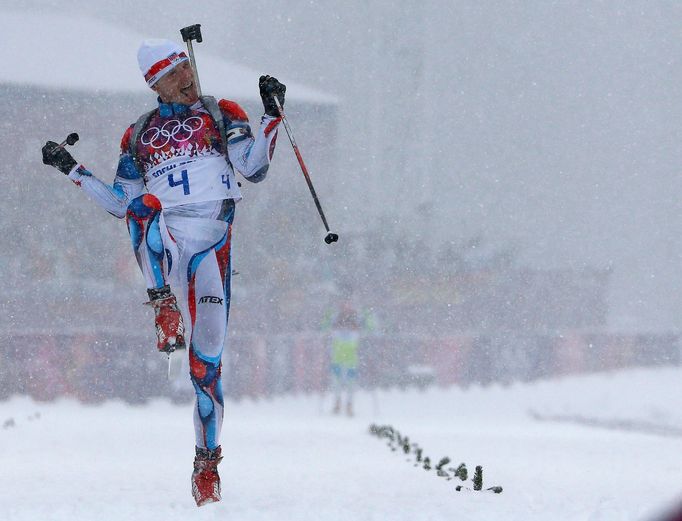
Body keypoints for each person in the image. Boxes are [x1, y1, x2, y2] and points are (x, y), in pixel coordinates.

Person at [41, 39, 286, 507]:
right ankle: (163, 308)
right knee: (145, 206)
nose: (186, 78)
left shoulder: (219, 112)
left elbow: (252, 170)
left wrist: (271, 114)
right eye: (173, 75)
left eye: (185, 68)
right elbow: (122, 205)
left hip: (212, 247)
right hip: (166, 243)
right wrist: (72, 169)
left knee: (206, 367)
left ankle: (206, 464)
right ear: (154, 83)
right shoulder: (138, 134)